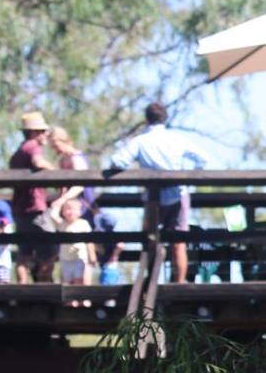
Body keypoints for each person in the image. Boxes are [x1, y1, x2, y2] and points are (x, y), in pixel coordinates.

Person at [105, 100, 215, 286]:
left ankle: (151, 280)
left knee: (150, 239)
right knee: (179, 242)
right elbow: (202, 159)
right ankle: (180, 282)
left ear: (147, 119)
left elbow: (119, 161)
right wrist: (188, 178)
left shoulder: (140, 141)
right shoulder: (175, 139)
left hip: (153, 198)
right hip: (178, 193)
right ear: (165, 118)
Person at [8, 110, 59, 284]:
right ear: (34, 132)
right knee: (51, 249)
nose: (45, 134)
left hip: (19, 210)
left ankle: (22, 287)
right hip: (35, 208)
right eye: (42, 131)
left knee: (25, 251)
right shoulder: (32, 146)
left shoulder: (18, 152)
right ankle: (46, 286)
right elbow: (38, 162)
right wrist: (57, 173)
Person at [47, 126, 97, 285]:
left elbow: (80, 184)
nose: (55, 149)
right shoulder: (62, 159)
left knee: (82, 248)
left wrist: (62, 200)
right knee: (68, 246)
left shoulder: (76, 157)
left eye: (56, 145)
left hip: (81, 205)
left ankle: (85, 292)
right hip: (68, 205)